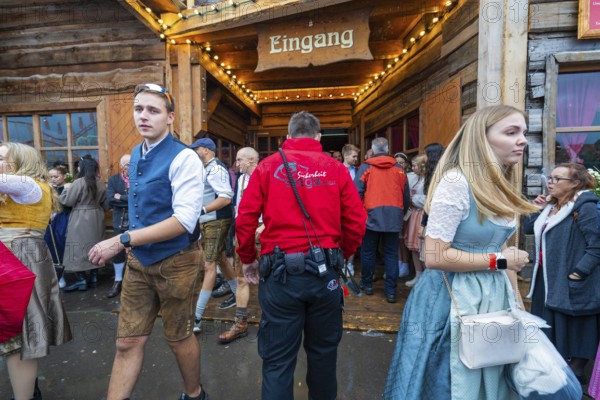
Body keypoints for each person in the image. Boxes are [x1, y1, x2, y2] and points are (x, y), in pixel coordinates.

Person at [383, 105, 537, 399]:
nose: (523, 140)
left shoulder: (498, 184)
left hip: (492, 294)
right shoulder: (456, 182)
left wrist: (515, 301)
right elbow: (434, 256)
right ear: (482, 137)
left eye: (524, 133)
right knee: (449, 379)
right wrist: (501, 261)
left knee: (491, 370)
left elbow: (499, 245)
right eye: (511, 132)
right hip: (449, 296)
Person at [87, 83, 208, 400]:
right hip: (140, 261)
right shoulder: (137, 155)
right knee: (126, 341)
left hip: (178, 261)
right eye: (139, 109)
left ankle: (194, 394)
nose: (143, 116)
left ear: (169, 118)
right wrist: (130, 243)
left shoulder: (185, 158)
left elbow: (183, 221)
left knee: (178, 338)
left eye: (153, 110)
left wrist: (122, 239)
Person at [237, 111, 366, 399]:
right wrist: (340, 256)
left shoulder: (268, 166)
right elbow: (356, 221)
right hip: (325, 274)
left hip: (281, 274)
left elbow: (244, 218)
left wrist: (248, 258)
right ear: (318, 137)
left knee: (278, 360)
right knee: (323, 355)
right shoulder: (335, 168)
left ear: (288, 135)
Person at [0, 142, 72, 400]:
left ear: (19, 162)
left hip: (17, 259)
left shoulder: (28, 186)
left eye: (1, 158)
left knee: (18, 336)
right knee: (14, 334)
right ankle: (29, 391)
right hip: (14, 257)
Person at [525, 163, 600, 384]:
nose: (551, 182)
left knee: (575, 328)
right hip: (547, 278)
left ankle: (573, 382)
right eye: (550, 178)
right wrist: (536, 208)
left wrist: (579, 273)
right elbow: (530, 229)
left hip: (573, 281)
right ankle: (556, 378)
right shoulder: (551, 206)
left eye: (558, 179)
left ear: (575, 184)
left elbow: (596, 245)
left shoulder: (583, 206)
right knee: (550, 328)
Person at [355, 137, 411, 303]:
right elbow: (406, 195)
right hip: (394, 215)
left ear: (372, 150)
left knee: (368, 251)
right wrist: (401, 213)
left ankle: (367, 285)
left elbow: (356, 192)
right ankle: (391, 291)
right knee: (391, 254)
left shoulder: (366, 167)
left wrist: (358, 213)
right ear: (387, 150)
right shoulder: (399, 168)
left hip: (370, 214)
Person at [190, 136, 236, 333]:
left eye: (196, 149)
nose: (194, 152)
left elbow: (226, 198)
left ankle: (197, 317)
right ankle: (238, 296)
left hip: (215, 221)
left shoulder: (216, 168)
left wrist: (202, 210)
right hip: (210, 221)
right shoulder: (208, 167)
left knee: (209, 266)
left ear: (206, 150)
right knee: (221, 260)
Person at [218, 146, 262, 344]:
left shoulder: (266, 176)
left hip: (263, 232)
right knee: (242, 278)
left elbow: (278, 206)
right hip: (244, 234)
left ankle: (272, 324)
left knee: (267, 279)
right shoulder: (242, 179)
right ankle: (241, 323)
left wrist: (265, 226)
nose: (236, 164)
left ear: (251, 160)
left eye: (239, 160)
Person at [60, 157, 109, 292]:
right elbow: (106, 205)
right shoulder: (100, 183)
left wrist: (65, 189)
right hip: (97, 217)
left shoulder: (78, 183)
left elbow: (67, 201)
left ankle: (81, 280)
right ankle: (94, 278)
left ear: (82, 168)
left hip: (80, 218)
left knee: (77, 248)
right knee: (95, 245)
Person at [105, 154, 131, 298]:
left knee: (137, 250)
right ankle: (118, 280)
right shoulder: (114, 179)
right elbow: (110, 200)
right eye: (126, 164)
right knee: (118, 251)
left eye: (131, 164)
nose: (129, 167)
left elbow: (139, 198)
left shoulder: (139, 178)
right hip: (119, 221)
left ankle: (133, 284)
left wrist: (120, 197)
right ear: (121, 166)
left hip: (136, 222)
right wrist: (129, 200)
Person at [44, 165, 71, 288]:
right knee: (50, 244)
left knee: (61, 244)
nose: (53, 179)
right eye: (51, 177)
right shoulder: (48, 189)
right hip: (49, 220)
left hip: (63, 219)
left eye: (56, 176)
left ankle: (64, 272)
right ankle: (57, 275)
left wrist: (66, 190)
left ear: (64, 176)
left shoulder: (68, 187)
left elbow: (67, 204)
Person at [404, 154, 427, 287]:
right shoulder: (415, 178)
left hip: (422, 215)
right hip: (414, 214)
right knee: (413, 247)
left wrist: (412, 199)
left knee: (421, 247)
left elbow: (427, 200)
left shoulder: (428, 180)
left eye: (415, 165)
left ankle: (425, 276)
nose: (412, 168)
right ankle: (418, 275)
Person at [341, 143, 360, 276]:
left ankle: (350, 264)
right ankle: (341, 263)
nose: (356, 159)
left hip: (353, 209)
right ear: (345, 155)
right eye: (354, 156)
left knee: (351, 236)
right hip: (339, 209)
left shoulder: (359, 171)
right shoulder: (336, 169)